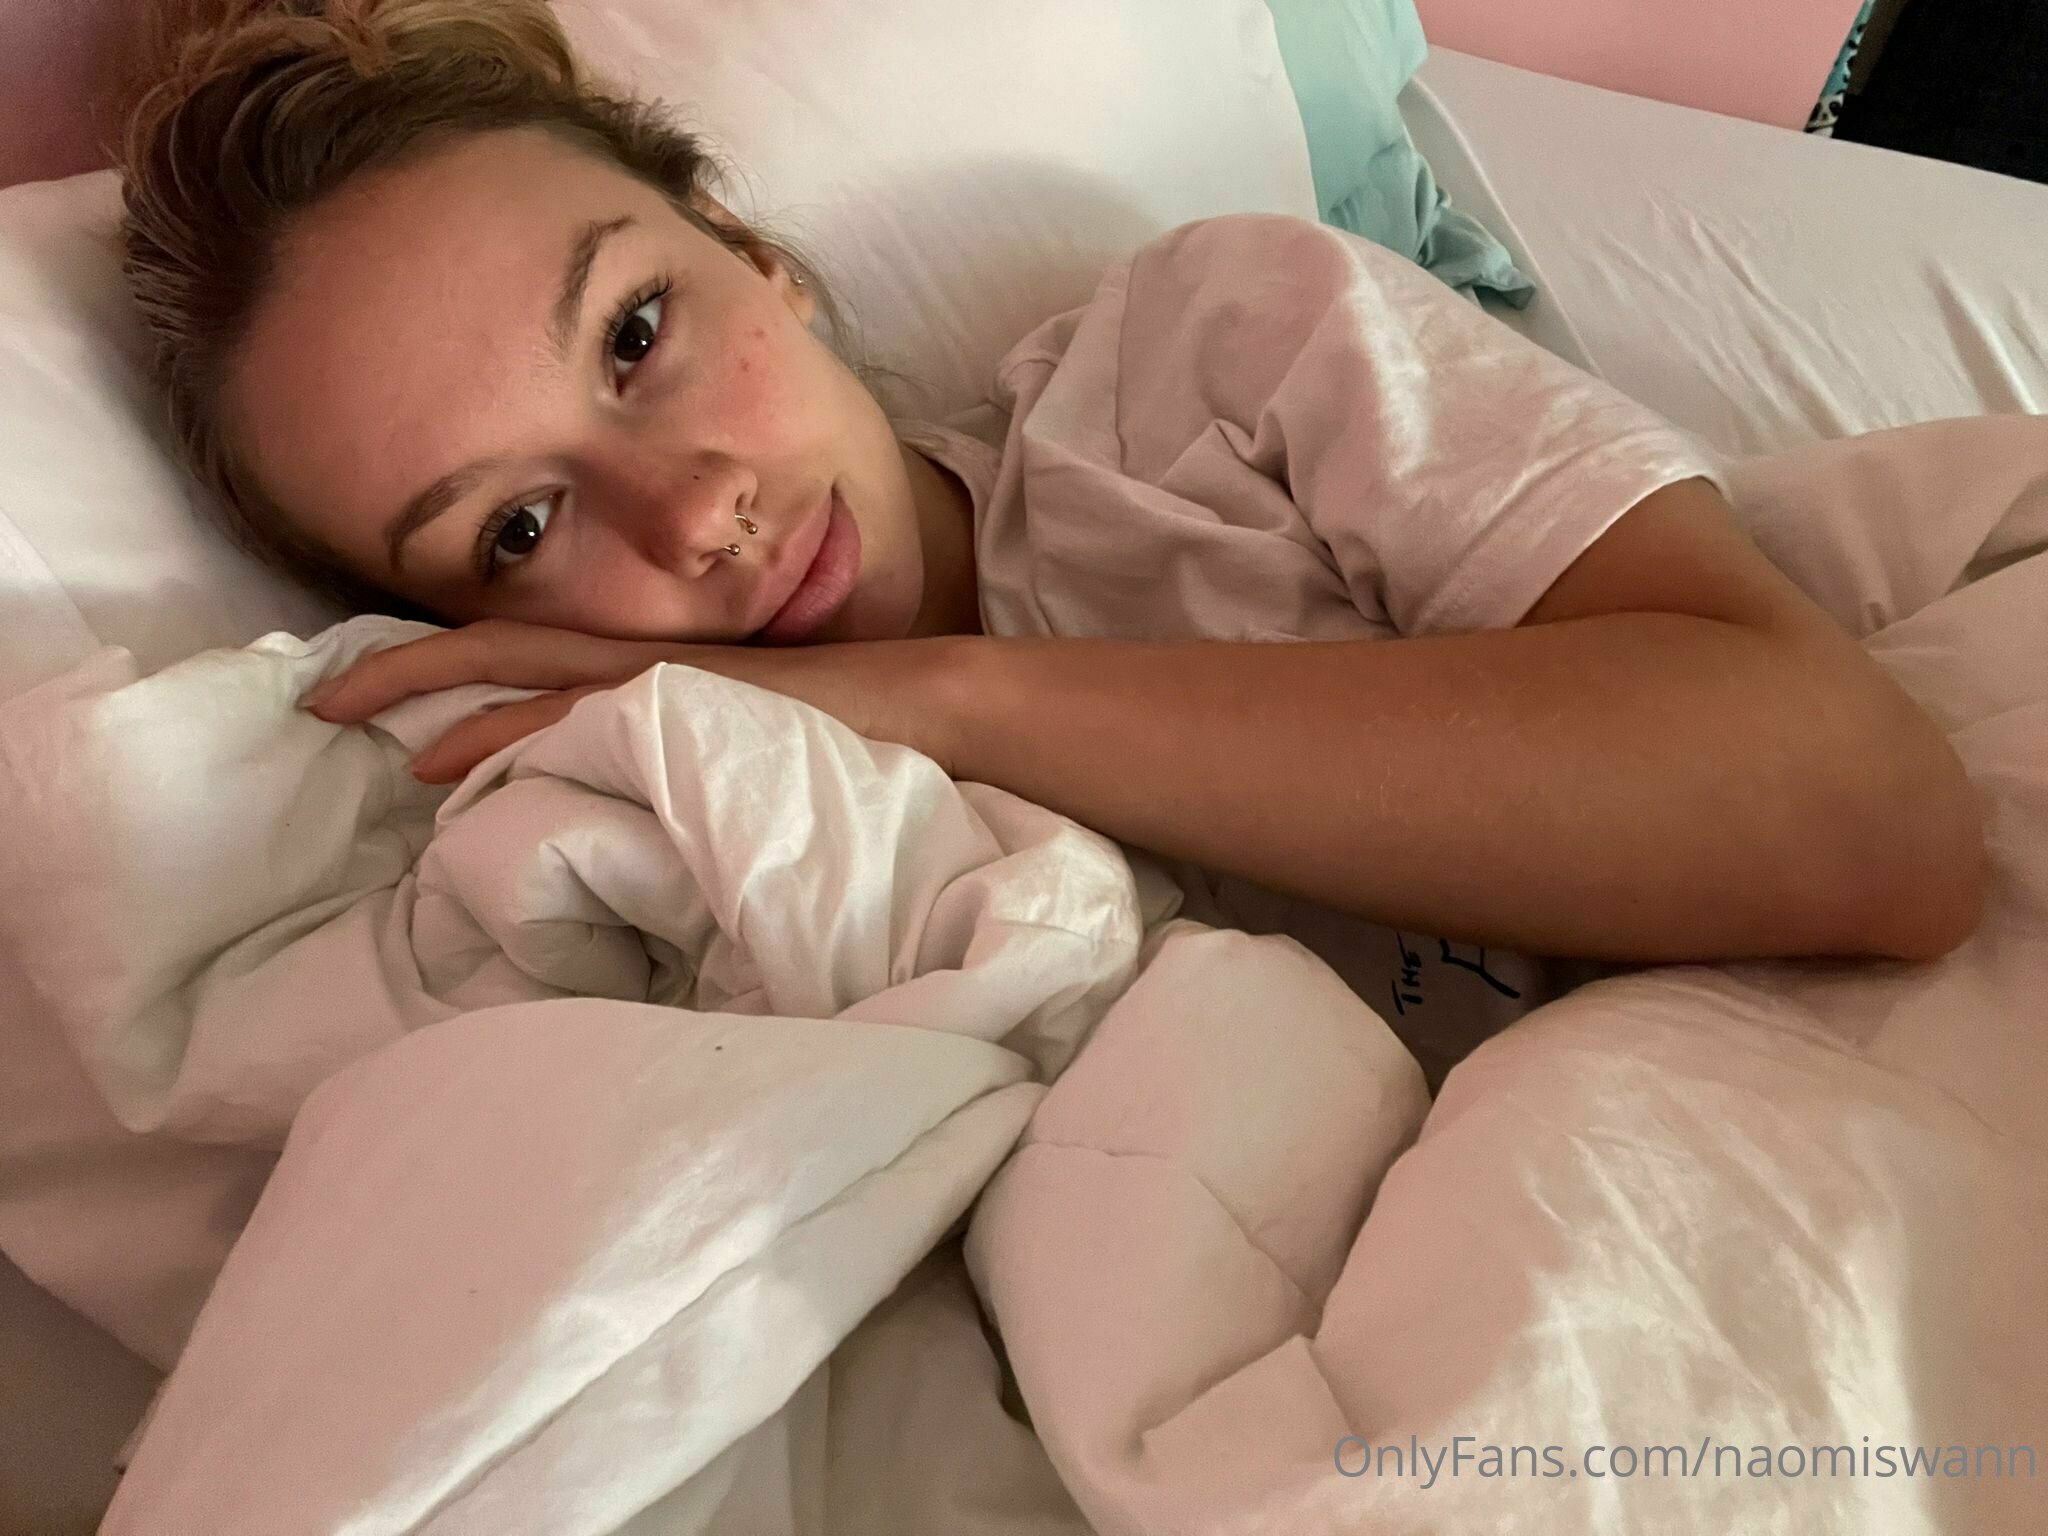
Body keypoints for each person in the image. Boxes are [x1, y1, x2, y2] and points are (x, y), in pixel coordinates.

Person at [116, 0, 1985, 1085]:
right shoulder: (650, 830)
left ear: (753, 255)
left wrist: (948, 696)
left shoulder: (1216, 365)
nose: (691, 514)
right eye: (520, 526)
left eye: (637, 332)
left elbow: (1875, 822)